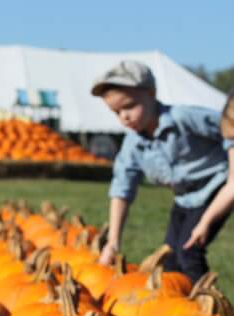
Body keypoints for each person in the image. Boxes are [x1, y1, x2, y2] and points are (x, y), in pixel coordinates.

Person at [91, 60, 234, 281]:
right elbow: (121, 190)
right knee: (170, 258)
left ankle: (209, 308)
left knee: (189, 251)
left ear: (151, 93)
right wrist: (113, 242)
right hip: (184, 199)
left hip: (215, 189)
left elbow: (228, 126)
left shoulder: (184, 118)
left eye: (129, 106)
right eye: (116, 112)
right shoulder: (132, 146)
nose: (124, 117)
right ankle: (180, 303)